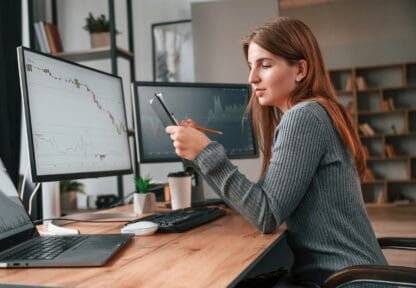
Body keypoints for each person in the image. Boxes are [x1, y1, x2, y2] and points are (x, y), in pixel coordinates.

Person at [165, 16, 387, 287]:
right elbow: (266, 200)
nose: (252, 77)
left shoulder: (304, 117)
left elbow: (266, 215)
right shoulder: (317, 112)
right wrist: (200, 153)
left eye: (265, 65)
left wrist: (205, 152)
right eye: (250, 66)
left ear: (300, 70)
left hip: (346, 281)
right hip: (344, 276)